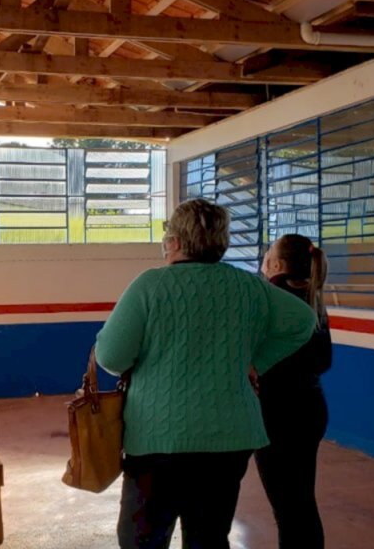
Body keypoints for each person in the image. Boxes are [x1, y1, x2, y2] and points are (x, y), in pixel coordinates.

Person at [95, 199, 319, 549]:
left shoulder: (150, 286)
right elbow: (304, 322)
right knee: (209, 538)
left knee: (142, 539)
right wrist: (256, 361)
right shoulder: (249, 286)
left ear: (175, 242)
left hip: (157, 438)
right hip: (228, 439)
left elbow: (110, 356)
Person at [255, 234, 332, 549]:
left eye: (268, 253)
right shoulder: (314, 297)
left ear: (275, 264)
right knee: (300, 501)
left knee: (288, 507)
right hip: (310, 407)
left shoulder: (269, 297)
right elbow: (324, 360)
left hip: (277, 413)